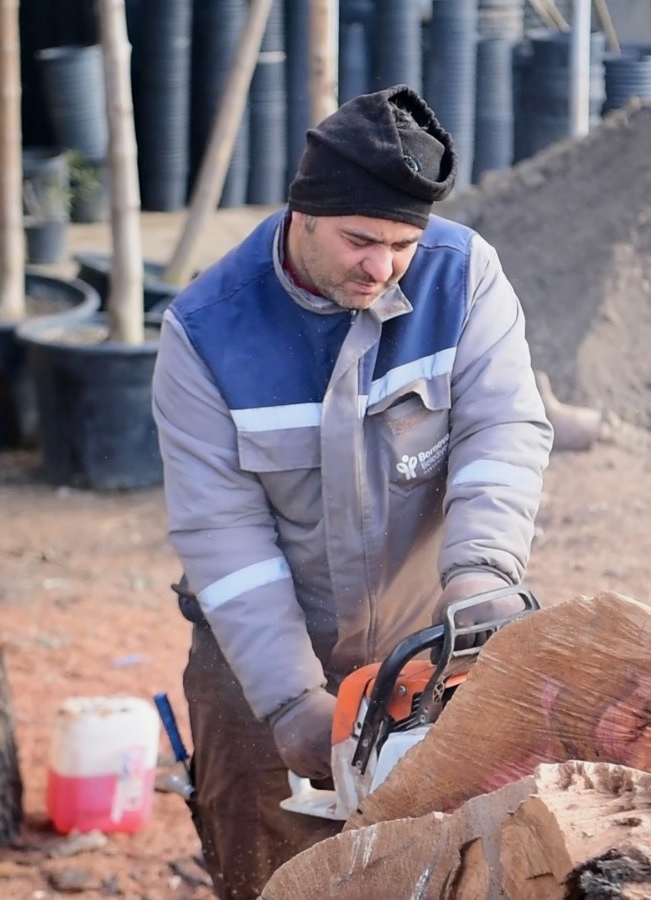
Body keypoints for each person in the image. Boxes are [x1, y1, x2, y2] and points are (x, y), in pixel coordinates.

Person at [150, 84, 554, 898]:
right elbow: (223, 533)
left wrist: (480, 575)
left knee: (445, 858)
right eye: (360, 240)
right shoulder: (204, 332)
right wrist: (290, 699)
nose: (383, 267)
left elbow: (502, 431)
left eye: (404, 243)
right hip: (255, 659)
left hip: (424, 643)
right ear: (301, 214)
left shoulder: (463, 278)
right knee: (269, 864)